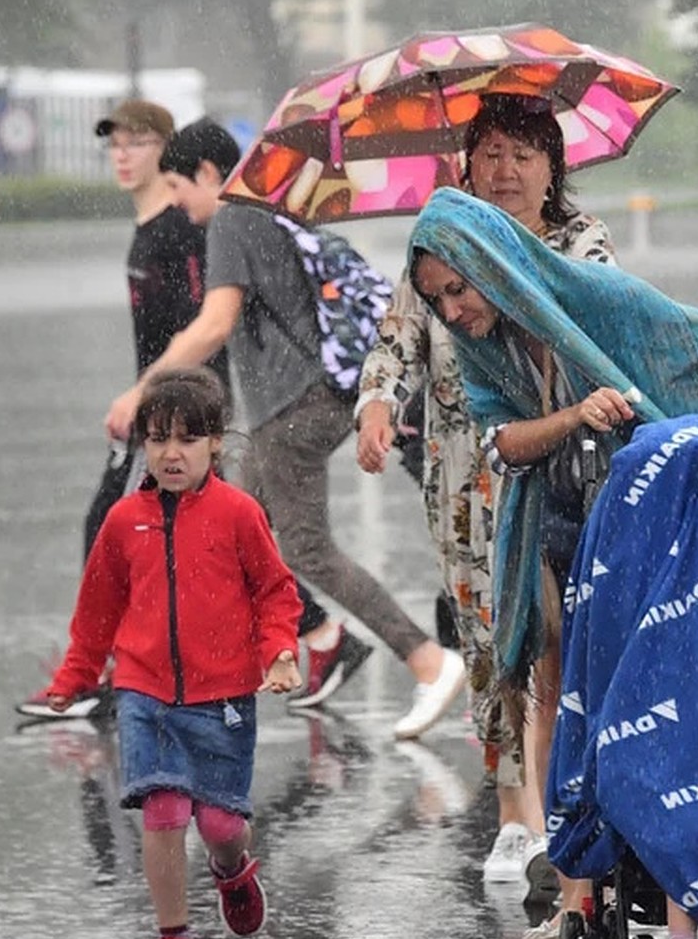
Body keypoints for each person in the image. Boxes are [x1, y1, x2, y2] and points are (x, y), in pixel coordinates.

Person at [406, 187, 698, 939]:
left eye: (458, 289)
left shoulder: (589, 294)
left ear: (492, 269)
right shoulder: (482, 354)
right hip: (581, 536)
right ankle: (588, 882)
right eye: (435, 298)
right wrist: (575, 414)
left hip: (678, 522)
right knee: (590, 703)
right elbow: (503, 441)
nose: (452, 309)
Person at [104, 119, 466, 735]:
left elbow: (215, 323)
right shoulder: (269, 209)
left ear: (210, 176)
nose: (179, 204)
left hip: (294, 405)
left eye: (178, 187)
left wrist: (143, 390)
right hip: (309, 396)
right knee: (226, 527)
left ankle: (429, 661)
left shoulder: (229, 220)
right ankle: (304, 647)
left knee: (301, 546)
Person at [18, 100, 352, 718]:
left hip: (181, 407)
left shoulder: (182, 228)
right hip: (162, 402)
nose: (123, 155)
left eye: (137, 143)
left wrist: (160, 400)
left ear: (169, 154)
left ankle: (109, 670)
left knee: (120, 529)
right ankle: (319, 634)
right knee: (205, 537)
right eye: (114, 145)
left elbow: (207, 325)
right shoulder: (152, 228)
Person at [355, 94, 615, 886]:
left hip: (562, 466)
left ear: (552, 171)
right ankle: (514, 813)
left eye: (523, 155)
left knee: (562, 643)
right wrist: (374, 405)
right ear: (466, 164)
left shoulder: (582, 243)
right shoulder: (438, 244)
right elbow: (397, 336)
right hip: (465, 476)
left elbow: (606, 320)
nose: (505, 171)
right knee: (490, 640)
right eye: (490, 153)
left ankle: (572, 807)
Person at [44, 368, 304, 939]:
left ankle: (233, 868)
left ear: (215, 442)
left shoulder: (239, 514)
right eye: (157, 439)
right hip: (146, 694)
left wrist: (280, 654)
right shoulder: (122, 522)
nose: (170, 453)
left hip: (224, 697)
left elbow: (275, 593)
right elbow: (97, 609)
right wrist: (74, 675)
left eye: (187, 438)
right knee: (161, 808)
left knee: (218, 823)